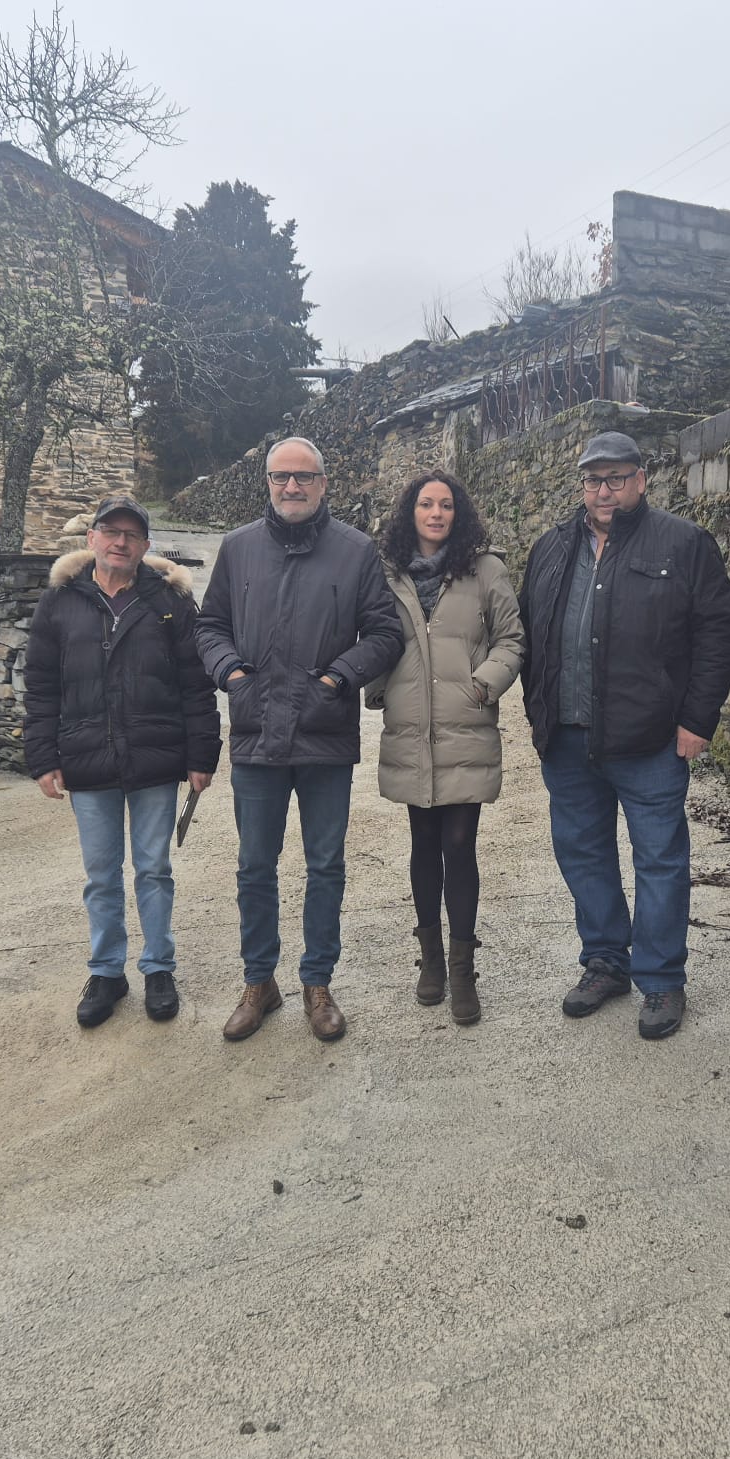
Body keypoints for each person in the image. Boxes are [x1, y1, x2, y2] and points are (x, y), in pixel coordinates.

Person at [517, 431, 730, 1040]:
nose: (604, 489)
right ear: (581, 485)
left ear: (641, 479)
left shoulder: (684, 542)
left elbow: (718, 634)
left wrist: (698, 719)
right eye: (594, 479)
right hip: (565, 736)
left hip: (649, 740)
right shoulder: (552, 547)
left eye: (616, 478)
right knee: (583, 854)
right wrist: (536, 708)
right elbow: (530, 631)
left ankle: (663, 980)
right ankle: (605, 962)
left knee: (660, 860)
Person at [193, 436, 405, 1044]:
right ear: (268, 482)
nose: (292, 487)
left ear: (323, 483)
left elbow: (385, 632)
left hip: (324, 735)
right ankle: (260, 981)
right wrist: (232, 674)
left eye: (303, 478)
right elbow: (210, 627)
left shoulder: (356, 552)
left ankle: (317, 981)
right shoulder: (237, 550)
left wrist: (338, 676)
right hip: (257, 735)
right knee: (255, 867)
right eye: (281, 477)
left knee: (325, 866)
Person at [23, 496, 220, 1029]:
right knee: (101, 875)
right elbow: (40, 687)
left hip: (155, 758)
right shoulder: (60, 603)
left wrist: (202, 754)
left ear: (146, 546)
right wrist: (43, 756)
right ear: (91, 538)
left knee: (154, 869)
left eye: (132, 535)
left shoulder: (170, 604)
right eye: (111, 531)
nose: (120, 542)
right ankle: (107, 972)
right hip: (87, 760)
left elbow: (197, 685)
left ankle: (159, 967)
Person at [368, 469, 525, 1027]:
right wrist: (377, 684)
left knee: (460, 843)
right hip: (412, 727)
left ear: (458, 514)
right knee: (423, 839)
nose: (436, 514)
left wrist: (483, 684)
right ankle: (430, 960)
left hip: (465, 724)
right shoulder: (385, 574)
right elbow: (366, 633)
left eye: (446, 505)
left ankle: (462, 968)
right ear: (410, 512)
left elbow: (512, 638)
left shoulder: (486, 571)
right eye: (426, 504)